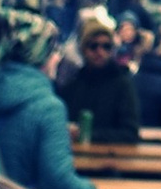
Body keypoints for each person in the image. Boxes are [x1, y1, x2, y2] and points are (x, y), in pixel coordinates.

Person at [0, 14, 102, 189]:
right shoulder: (49, 108)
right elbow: (58, 181)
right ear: (39, 57)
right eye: (53, 51)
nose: (57, 58)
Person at [56, 11, 142, 151]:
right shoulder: (74, 85)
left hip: (113, 159)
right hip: (76, 156)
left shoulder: (122, 85)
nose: (100, 52)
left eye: (106, 46)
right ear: (83, 49)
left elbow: (130, 133)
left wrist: (89, 135)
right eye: (93, 46)